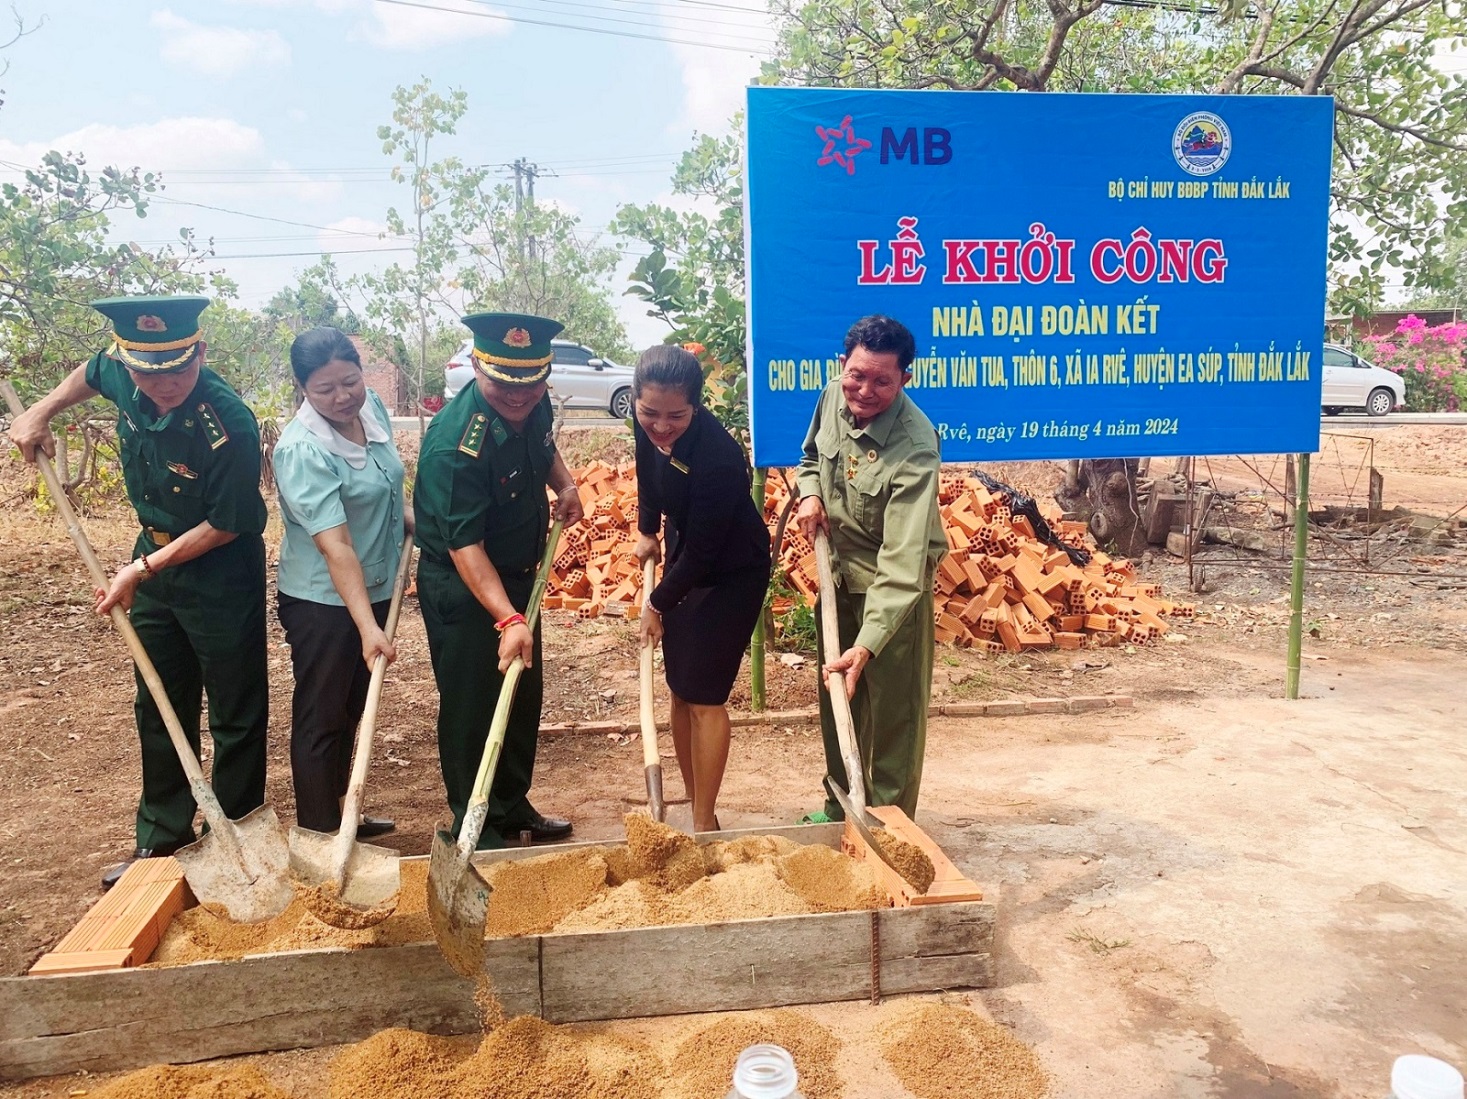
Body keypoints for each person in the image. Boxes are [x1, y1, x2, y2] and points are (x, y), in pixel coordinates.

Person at [7, 296, 270, 889]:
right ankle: (162, 839)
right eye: (148, 374)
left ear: (200, 353)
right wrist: (41, 411)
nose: (164, 385)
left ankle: (235, 843)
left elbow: (227, 522)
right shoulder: (124, 374)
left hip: (219, 570)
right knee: (158, 699)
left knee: (235, 710)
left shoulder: (228, 420)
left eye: (178, 369)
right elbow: (90, 372)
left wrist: (140, 570)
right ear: (128, 364)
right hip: (150, 562)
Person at [413, 312, 583, 849]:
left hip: (517, 578)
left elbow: (542, 446)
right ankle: (474, 822)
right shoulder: (455, 444)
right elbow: (465, 546)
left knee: (521, 696)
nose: (518, 395)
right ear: (477, 366)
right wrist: (507, 619)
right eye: (504, 382)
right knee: (473, 706)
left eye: (531, 382)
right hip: (465, 588)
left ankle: (510, 806)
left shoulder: (532, 400)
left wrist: (566, 485)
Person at [794, 314, 947, 822]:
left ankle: (889, 825)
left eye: (882, 381)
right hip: (838, 576)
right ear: (843, 364)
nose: (864, 391)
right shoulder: (831, 398)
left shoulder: (915, 446)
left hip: (894, 594)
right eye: (856, 375)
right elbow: (810, 458)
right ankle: (840, 808)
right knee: (837, 697)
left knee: (893, 715)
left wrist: (867, 644)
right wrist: (811, 495)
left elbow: (902, 561)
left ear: (905, 378)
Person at [272, 327, 411, 839]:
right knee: (321, 715)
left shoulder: (371, 409)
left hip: (375, 587)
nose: (342, 397)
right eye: (325, 389)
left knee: (352, 706)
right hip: (323, 603)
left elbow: (387, 489)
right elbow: (336, 546)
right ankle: (319, 833)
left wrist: (418, 524)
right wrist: (368, 628)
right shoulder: (301, 450)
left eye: (350, 381)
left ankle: (341, 811)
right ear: (302, 387)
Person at [631, 345, 771, 833]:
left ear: (696, 406)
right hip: (684, 556)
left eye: (676, 416)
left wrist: (655, 604)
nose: (661, 426)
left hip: (731, 572)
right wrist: (646, 529)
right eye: (650, 413)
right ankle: (695, 803)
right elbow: (647, 472)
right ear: (637, 399)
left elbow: (705, 554)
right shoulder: (647, 423)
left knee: (704, 696)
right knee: (679, 689)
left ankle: (704, 825)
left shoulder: (719, 458)